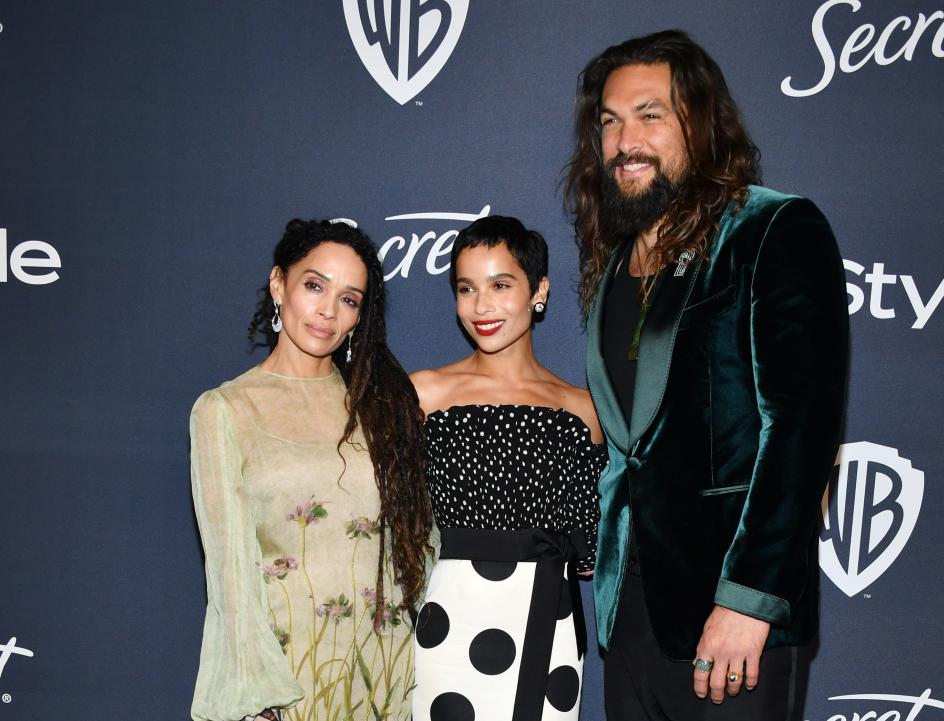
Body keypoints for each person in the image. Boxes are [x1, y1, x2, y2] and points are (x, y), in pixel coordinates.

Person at [564, 30, 849, 721]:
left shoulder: (771, 229)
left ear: (698, 121)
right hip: (629, 615)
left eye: (649, 114)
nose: (624, 139)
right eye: (608, 121)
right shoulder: (613, 265)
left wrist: (748, 598)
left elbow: (799, 428)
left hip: (731, 613)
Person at [189, 219, 431, 721]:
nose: (328, 311)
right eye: (315, 286)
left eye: (349, 299)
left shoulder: (380, 405)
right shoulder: (225, 410)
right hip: (289, 683)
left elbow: (419, 543)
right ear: (279, 283)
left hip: (386, 674)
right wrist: (257, 699)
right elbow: (230, 572)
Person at [409, 215, 607, 721]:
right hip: (449, 623)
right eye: (466, 288)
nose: (482, 306)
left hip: (548, 621)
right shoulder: (423, 393)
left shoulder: (584, 409)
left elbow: (593, 548)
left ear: (538, 290)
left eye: (501, 284)